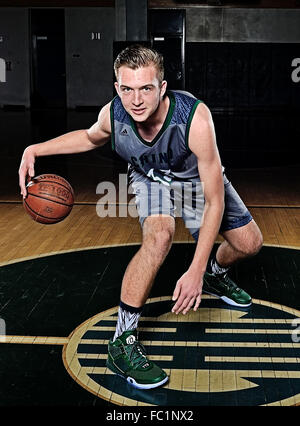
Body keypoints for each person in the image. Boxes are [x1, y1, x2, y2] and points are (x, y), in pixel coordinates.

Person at [19, 45, 263, 390]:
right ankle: (123, 340)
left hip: (196, 183)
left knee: (250, 244)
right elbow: (89, 138)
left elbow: (213, 201)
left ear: (162, 88)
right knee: (159, 236)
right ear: (117, 88)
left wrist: (196, 269)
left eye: (146, 88)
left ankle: (215, 274)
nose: (136, 100)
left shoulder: (194, 119)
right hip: (151, 179)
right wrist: (34, 149)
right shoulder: (113, 114)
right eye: (127, 89)